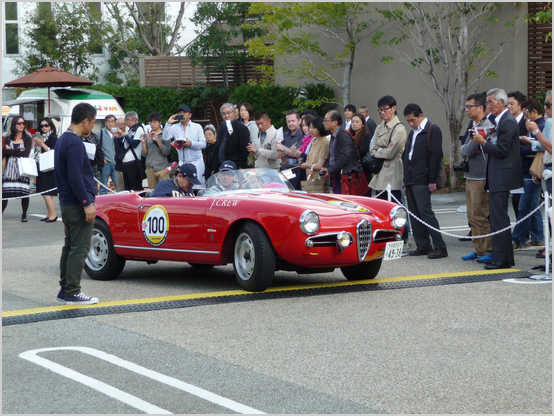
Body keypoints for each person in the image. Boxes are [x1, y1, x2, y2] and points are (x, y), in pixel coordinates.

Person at [471, 88, 524, 269]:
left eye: (491, 102)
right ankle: (504, 257)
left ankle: (502, 259)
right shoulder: (501, 121)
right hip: (497, 174)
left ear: (501, 102)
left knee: (499, 218)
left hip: (502, 175)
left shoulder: (507, 122)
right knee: (497, 217)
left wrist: (483, 142)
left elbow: (502, 151)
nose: (488, 105)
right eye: (487, 102)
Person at [54, 102, 99, 305]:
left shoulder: (64, 139)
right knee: (79, 248)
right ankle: (72, 291)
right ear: (85, 120)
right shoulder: (74, 142)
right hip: (76, 203)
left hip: (66, 201)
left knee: (70, 246)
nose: (93, 127)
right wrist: (86, 202)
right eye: (93, 122)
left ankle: (65, 289)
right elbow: (75, 176)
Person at [402, 103, 448, 259]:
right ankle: (423, 245)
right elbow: (407, 156)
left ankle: (440, 246)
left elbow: (436, 155)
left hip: (423, 178)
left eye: (413, 120)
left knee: (425, 212)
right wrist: (406, 181)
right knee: (414, 213)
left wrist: (432, 180)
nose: (411, 123)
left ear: (421, 116)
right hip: (412, 178)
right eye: (408, 121)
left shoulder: (432, 129)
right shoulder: (412, 133)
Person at [459, 93, 494, 263]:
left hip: (480, 177)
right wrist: (468, 147)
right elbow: (464, 147)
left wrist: (469, 147)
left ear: (480, 107)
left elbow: (466, 150)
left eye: (469, 106)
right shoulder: (473, 124)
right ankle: (477, 248)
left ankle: (487, 249)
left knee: (480, 215)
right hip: (470, 175)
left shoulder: (486, 126)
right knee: (472, 216)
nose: (466, 110)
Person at [511, 98, 546, 249]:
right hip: (527, 170)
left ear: (533, 112)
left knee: (524, 206)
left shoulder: (541, 126)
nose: (525, 117)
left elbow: (540, 148)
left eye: (526, 114)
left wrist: (521, 146)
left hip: (533, 171)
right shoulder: (534, 126)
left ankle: (516, 240)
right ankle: (538, 237)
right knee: (532, 206)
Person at [163, 105, 206, 187]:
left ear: (190, 115)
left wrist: (191, 144)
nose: (182, 114)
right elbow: (165, 137)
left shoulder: (197, 127)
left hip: (197, 162)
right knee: (184, 186)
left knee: (199, 186)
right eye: (180, 113)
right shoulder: (174, 127)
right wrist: (168, 123)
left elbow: (203, 144)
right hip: (183, 162)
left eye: (184, 113)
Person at [320, 110, 361, 194]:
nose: (323, 123)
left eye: (326, 120)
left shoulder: (344, 135)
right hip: (337, 175)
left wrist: (331, 170)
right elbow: (333, 156)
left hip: (344, 176)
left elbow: (345, 157)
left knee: (342, 203)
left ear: (335, 122)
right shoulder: (334, 135)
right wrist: (328, 168)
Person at [2, 117, 33, 222]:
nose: (21, 124)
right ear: (14, 124)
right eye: (19, 123)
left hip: (22, 168)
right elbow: (4, 152)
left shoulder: (27, 138)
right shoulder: (8, 138)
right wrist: (18, 149)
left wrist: (11, 150)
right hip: (9, 169)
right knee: (5, 193)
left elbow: (26, 153)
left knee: (24, 192)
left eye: (23, 123)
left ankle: (24, 215)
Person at [507, 91, 528, 217]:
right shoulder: (508, 121)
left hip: (523, 167)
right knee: (515, 201)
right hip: (511, 166)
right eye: (507, 103)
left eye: (511, 103)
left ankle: (523, 233)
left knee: (520, 201)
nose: (509, 106)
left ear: (520, 105)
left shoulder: (526, 123)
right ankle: (521, 232)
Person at [34, 117, 59, 222]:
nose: (44, 128)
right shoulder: (42, 137)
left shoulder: (53, 137)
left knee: (47, 192)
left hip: (49, 167)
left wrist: (42, 144)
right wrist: (37, 144)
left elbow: (53, 151)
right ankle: (49, 214)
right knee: (43, 191)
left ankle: (53, 214)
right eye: (42, 126)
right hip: (41, 165)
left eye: (46, 125)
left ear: (50, 126)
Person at [115, 111, 146, 191]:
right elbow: (123, 147)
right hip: (125, 164)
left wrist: (125, 135)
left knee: (136, 188)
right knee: (127, 189)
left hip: (133, 164)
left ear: (137, 120)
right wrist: (118, 137)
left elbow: (134, 144)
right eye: (128, 120)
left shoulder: (139, 129)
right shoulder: (129, 131)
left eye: (132, 119)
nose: (130, 122)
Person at [141, 112, 171, 190]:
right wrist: (143, 142)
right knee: (152, 192)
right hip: (150, 168)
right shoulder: (148, 135)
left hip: (162, 168)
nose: (152, 124)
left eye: (155, 122)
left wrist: (157, 140)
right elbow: (144, 154)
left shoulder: (166, 134)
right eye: (150, 122)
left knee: (165, 191)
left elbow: (167, 152)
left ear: (160, 122)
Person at [216, 103, 250, 169]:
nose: (226, 115)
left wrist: (240, 165)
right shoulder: (223, 127)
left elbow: (245, 150)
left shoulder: (241, 128)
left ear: (234, 113)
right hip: (222, 165)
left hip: (235, 166)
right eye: (224, 114)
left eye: (229, 113)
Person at [349, 113, 373, 197]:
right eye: (353, 122)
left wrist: (350, 153)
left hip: (363, 169)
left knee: (364, 195)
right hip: (351, 170)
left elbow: (365, 149)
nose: (354, 124)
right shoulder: (349, 136)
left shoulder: (367, 135)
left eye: (357, 122)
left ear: (363, 124)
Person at [280, 110, 304, 189]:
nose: (290, 124)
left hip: (297, 172)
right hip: (284, 172)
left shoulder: (302, 135)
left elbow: (298, 156)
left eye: (293, 121)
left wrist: (282, 148)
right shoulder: (284, 135)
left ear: (299, 121)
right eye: (288, 121)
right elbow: (276, 154)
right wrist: (290, 150)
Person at [98, 114, 118, 194]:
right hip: (106, 164)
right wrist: (101, 159)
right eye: (109, 121)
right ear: (105, 123)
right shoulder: (100, 133)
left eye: (112, 121)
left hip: (116, 163)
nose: (110, 123)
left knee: (119, 186)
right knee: (103, 187)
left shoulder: (118, 133)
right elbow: (96, 147)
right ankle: (102, 205)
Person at [81, 129, 104, 194]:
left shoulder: (94, 137)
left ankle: (94, 198)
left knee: (94, 185)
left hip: (93, 164)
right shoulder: (78, 137)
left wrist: (101, 163)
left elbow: (99, 150)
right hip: (81, 165)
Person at [114, 117, 127, 192]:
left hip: (125, 164)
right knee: (119, 188)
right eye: (118, 124)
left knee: (126, 188)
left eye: (122, 124)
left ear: (125, 125)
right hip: (117, 165)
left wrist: (120, 137)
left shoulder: (126, 135)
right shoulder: (114, 136)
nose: (120, 126)